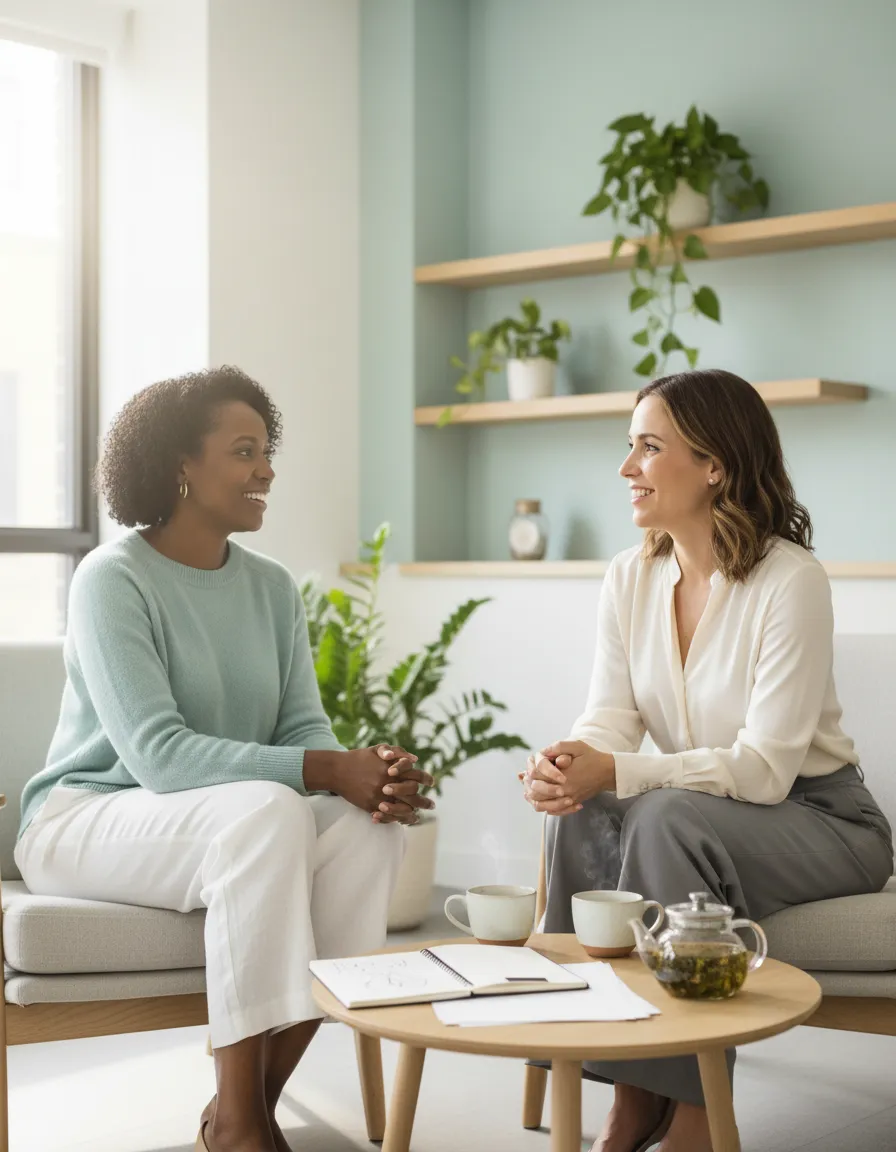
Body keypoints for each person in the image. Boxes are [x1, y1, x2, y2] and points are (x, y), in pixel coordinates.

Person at [15, 366, 432, 1152]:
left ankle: (246, 1110)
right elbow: (159, 757)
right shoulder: (112, 580)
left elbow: (303, 728)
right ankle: (242, 1126)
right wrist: (321, 771)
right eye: (245, 450)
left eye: (268, 450)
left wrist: (362, 773)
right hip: (84, 820)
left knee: (369, 828)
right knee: (270, 809)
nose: (266, 469)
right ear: (180, 465)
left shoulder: (272, 589)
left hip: (212, 824)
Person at [522, 369, 893, 1152]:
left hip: (824, 821)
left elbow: (763, 770)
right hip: (712, 819)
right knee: (588, 808)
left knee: (660, 816)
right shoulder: (630, 576)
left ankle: (684, 1107)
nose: (627, 469)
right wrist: (571, 760)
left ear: (715, 464)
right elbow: (612, 718)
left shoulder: (790, 580)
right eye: (629, 447)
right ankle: (622, 1079)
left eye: (649, 448)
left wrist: (619, 772)